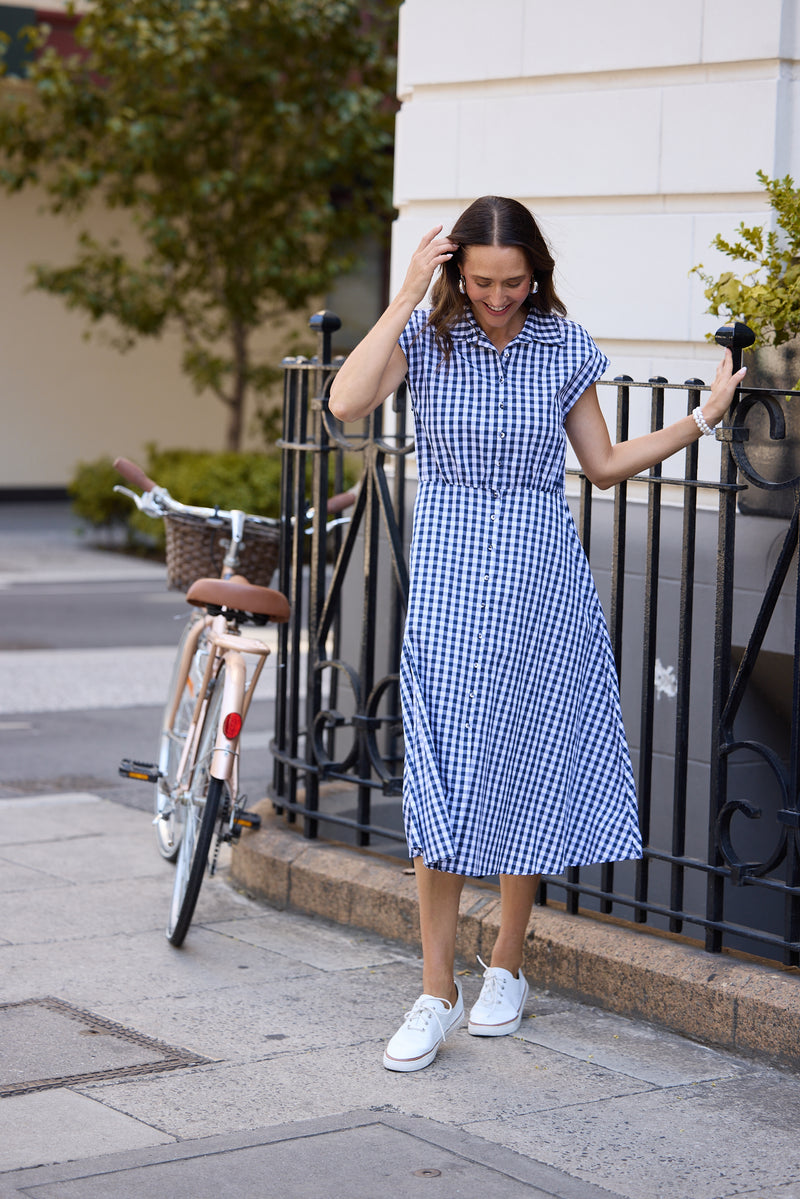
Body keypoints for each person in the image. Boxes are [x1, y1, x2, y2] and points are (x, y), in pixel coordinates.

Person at [328, 195, 745, 1073]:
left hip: (544, 586)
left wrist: (703, 417)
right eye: (481, 281)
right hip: (448, 585)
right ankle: (435, 988)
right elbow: (345, 402)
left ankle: (507, 964)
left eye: (513, 281)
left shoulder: (562, 345)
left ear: (536, 274)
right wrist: (406, 295)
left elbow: (600, 464)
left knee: (532, 764)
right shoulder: (427, 335)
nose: (498, 297)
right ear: (454, 273)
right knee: (442, 773)